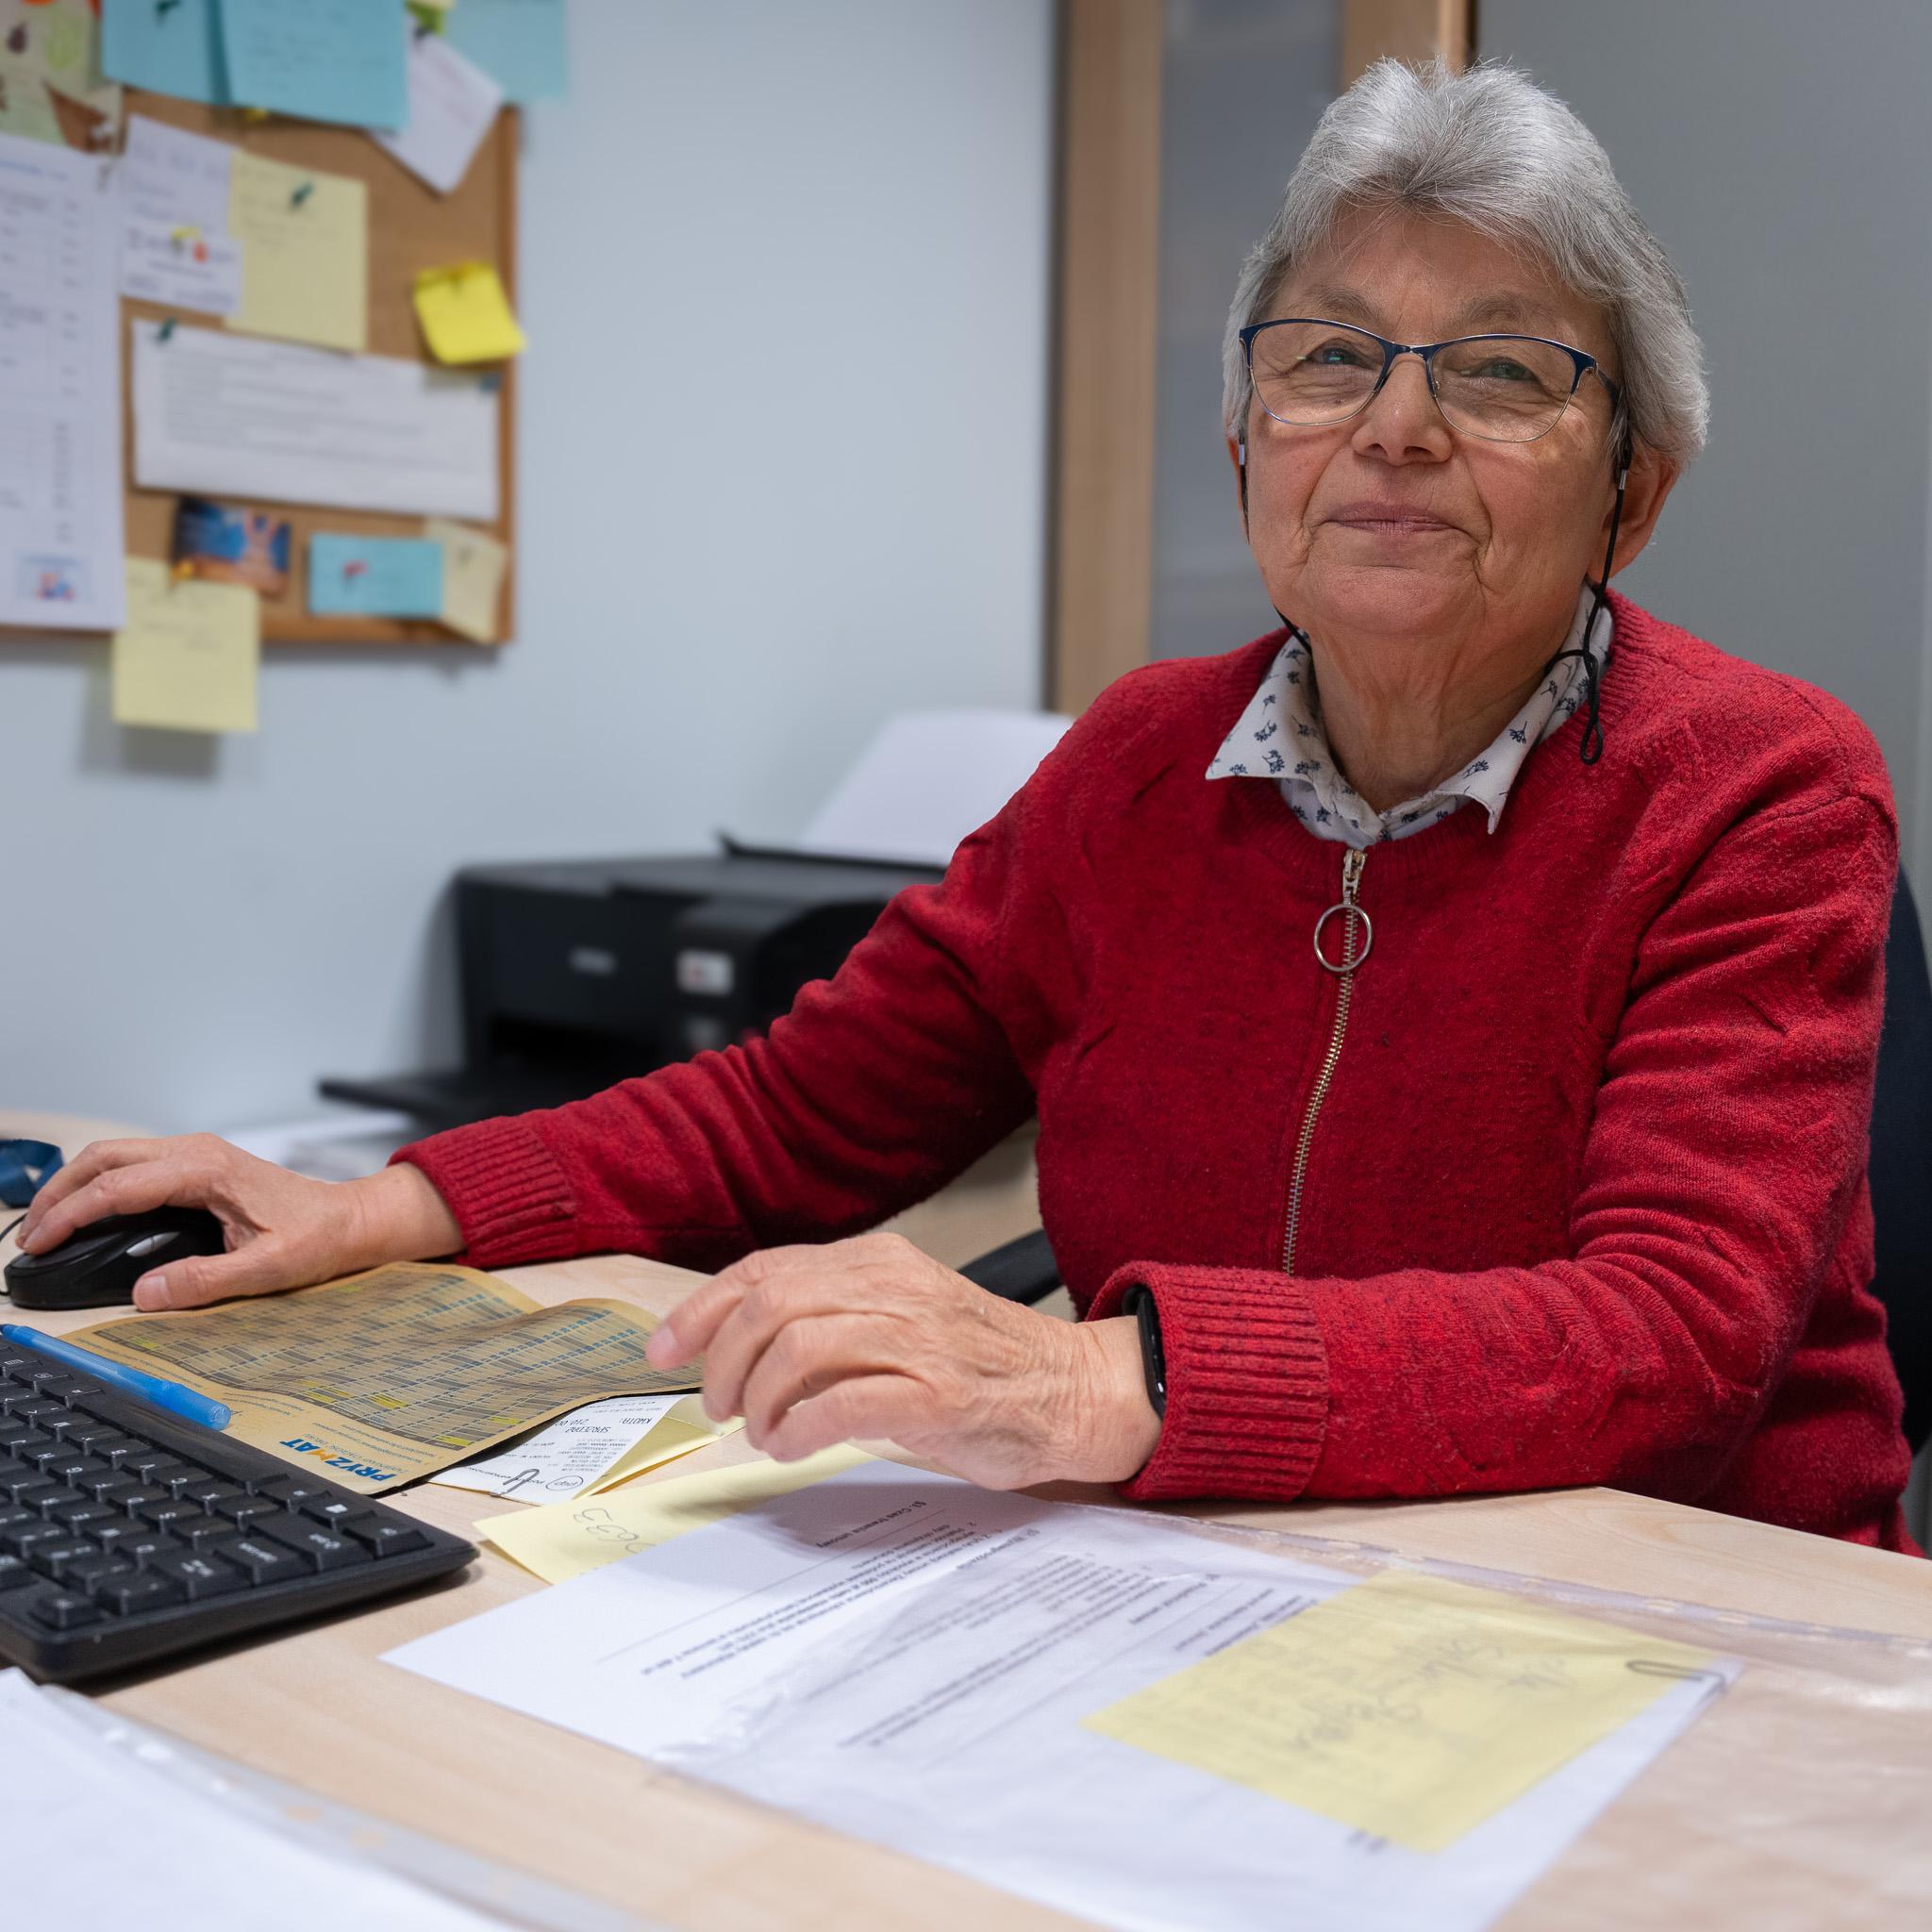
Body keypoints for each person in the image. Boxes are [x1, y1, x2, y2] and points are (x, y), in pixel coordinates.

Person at [19, 61, 1917, 1549]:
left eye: (1499, 371)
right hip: (1205, 1580)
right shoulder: (1139, 763)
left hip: (1680, 1616)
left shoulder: (1760, 786)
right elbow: (795, 1112)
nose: (1395, 426)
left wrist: (1098, 1379)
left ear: (1630, 490)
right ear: (1247, 444)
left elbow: (1670, 1332)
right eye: (1329, 357)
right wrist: (385, 1204)